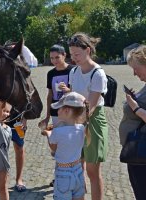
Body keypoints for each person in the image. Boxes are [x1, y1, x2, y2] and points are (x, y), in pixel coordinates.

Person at [65, 32, 108, 200]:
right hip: (76, 120)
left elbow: (91, 106)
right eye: (71, 54)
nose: (74, 58)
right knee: (77, 167)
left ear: (88, 50)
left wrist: (68, 121)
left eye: (77, 54)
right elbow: (73, 97)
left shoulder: (97, 74)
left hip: (93, 121)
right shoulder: (74, 72)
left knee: (92, 171)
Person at [38, 44, 74, 186]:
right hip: (55, 114)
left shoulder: (73, 70)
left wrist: (68, 90)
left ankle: (71, 174)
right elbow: (50, 95)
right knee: (57, 146)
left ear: (64, 55)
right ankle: (59, 176)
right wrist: (47, 116)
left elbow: (77, 92)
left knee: (70, 145)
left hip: (71, 113)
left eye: (57, 57)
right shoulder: (51, 73)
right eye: (52, 58)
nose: (54, 61)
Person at [41, 92, 87, 200]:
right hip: (78, 170)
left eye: (59, 108)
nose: (57, 111)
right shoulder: (82, 128)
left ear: (67, 111)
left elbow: (53, 147)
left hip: (63, 173)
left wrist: (47, 133)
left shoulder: (57, 132)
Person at [119, 45, 146, 200]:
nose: (134, 73)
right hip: (138, 153)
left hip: (142, 153)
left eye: (136, 68)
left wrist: (134, 107)